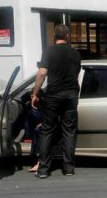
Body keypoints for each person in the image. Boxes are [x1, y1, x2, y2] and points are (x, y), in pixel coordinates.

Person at [31, 24, 81, 178]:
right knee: (69, 131)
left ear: (54, 36)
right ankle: (68, 169)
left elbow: (42, 73)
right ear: (67, 37)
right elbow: (77, 73)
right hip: (71, 95)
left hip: (53, 96)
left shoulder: (48, 51)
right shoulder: (75, 53)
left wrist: (35, 93)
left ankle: (44, 170)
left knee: (47, 130)